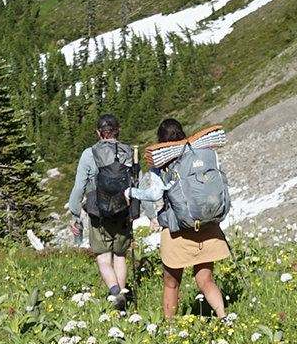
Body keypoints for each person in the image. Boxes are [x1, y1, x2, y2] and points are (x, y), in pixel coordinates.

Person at [141, 117, 232, 321]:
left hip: (177, 230)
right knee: (206, 280)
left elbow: (155, 194)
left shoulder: (161, 160)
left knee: (171, 284)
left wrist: (133, 193)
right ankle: (223, 316)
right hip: (207, 227)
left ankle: (170, 328)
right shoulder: (202, 153)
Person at [65, 114, 135, 311]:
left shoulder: (89, 154)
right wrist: (150, 214)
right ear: (118, 131)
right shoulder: (128, 151)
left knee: (103, 258)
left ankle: (115, 292)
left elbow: (79, 186)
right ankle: (120, 300)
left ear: (98, 133)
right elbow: (139, 183)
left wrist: (74, 214)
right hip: (123, 210)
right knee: (120, 255)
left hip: (99, 212)